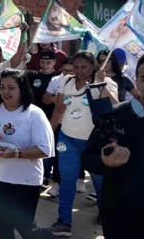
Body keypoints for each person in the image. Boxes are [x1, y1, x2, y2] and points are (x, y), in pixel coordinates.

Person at [82, 52, 144, 239]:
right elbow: (88, 159)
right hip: (124, 219)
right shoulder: (116, 116)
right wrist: (106, 163)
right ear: (136, 83)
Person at [0, 69, 54, 239]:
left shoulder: (34, 114)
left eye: (11, 88)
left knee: (25, 228)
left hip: (24, 181)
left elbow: (45, 149)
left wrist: (15, 153)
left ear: (22, 89)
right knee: (1, 227)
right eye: (2, 87)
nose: (5, 92)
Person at [48, 51, 119, 237]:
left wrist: (100, 86)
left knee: (100, 182)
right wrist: (49, 132)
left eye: (83, 67)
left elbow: (116, 107)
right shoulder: (66, 81)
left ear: (94, 66)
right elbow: (60, 109)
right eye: (75, 67)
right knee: (67, 179)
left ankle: (106, 214)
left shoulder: (106, 83)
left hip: (94, 143)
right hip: (67, 139)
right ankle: (64, 221)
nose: (78, 71)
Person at [41, 57, 87, 197]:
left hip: (80, 126)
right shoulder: (57, 81)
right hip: (61, 124)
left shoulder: (84, 83)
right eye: (65, 70)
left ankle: (80, 178)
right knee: (59, 153)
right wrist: (55, 99)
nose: (68, 73)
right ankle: (56, 183)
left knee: (80, 155)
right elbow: (45, 99)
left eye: (71, 70)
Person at [26, 50, 61, 189]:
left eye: (48, 62)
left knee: (53, 148)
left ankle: (53, 178)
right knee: (36, 146)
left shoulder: (59, 77)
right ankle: (42, 175)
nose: (45, 65)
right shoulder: (33, 75)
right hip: (35, 118)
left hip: (55, 117)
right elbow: (16, 74)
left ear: (54, 62)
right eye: (42, 62)